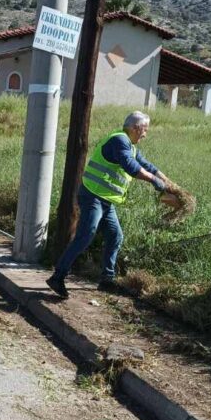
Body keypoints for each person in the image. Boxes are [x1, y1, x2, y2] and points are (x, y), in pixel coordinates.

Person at [46, 111, 169, 299]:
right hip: (92, 196)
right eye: (145, 129)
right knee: (85, 235)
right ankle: (58, 276)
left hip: (105, 200)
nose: (146, 134)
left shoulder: (131, 146)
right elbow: (131, 166)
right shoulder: (119, 141)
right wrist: (153, 180)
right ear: (135, 128)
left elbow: (147, 165)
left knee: (115, 235)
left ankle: (106, 280)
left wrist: (170, 184)